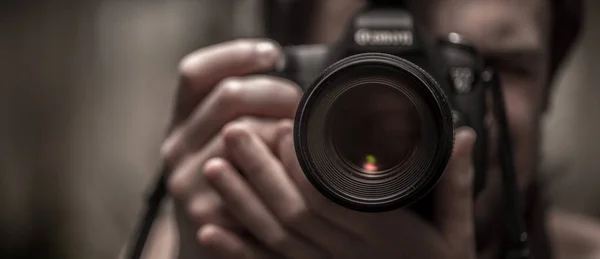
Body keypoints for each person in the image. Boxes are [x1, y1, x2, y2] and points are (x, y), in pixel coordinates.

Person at [136, 0, 600, 258]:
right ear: (284, 81)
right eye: (368, 72)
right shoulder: (192, 245)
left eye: (494, 67)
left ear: (549, 89)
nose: (412, 114)